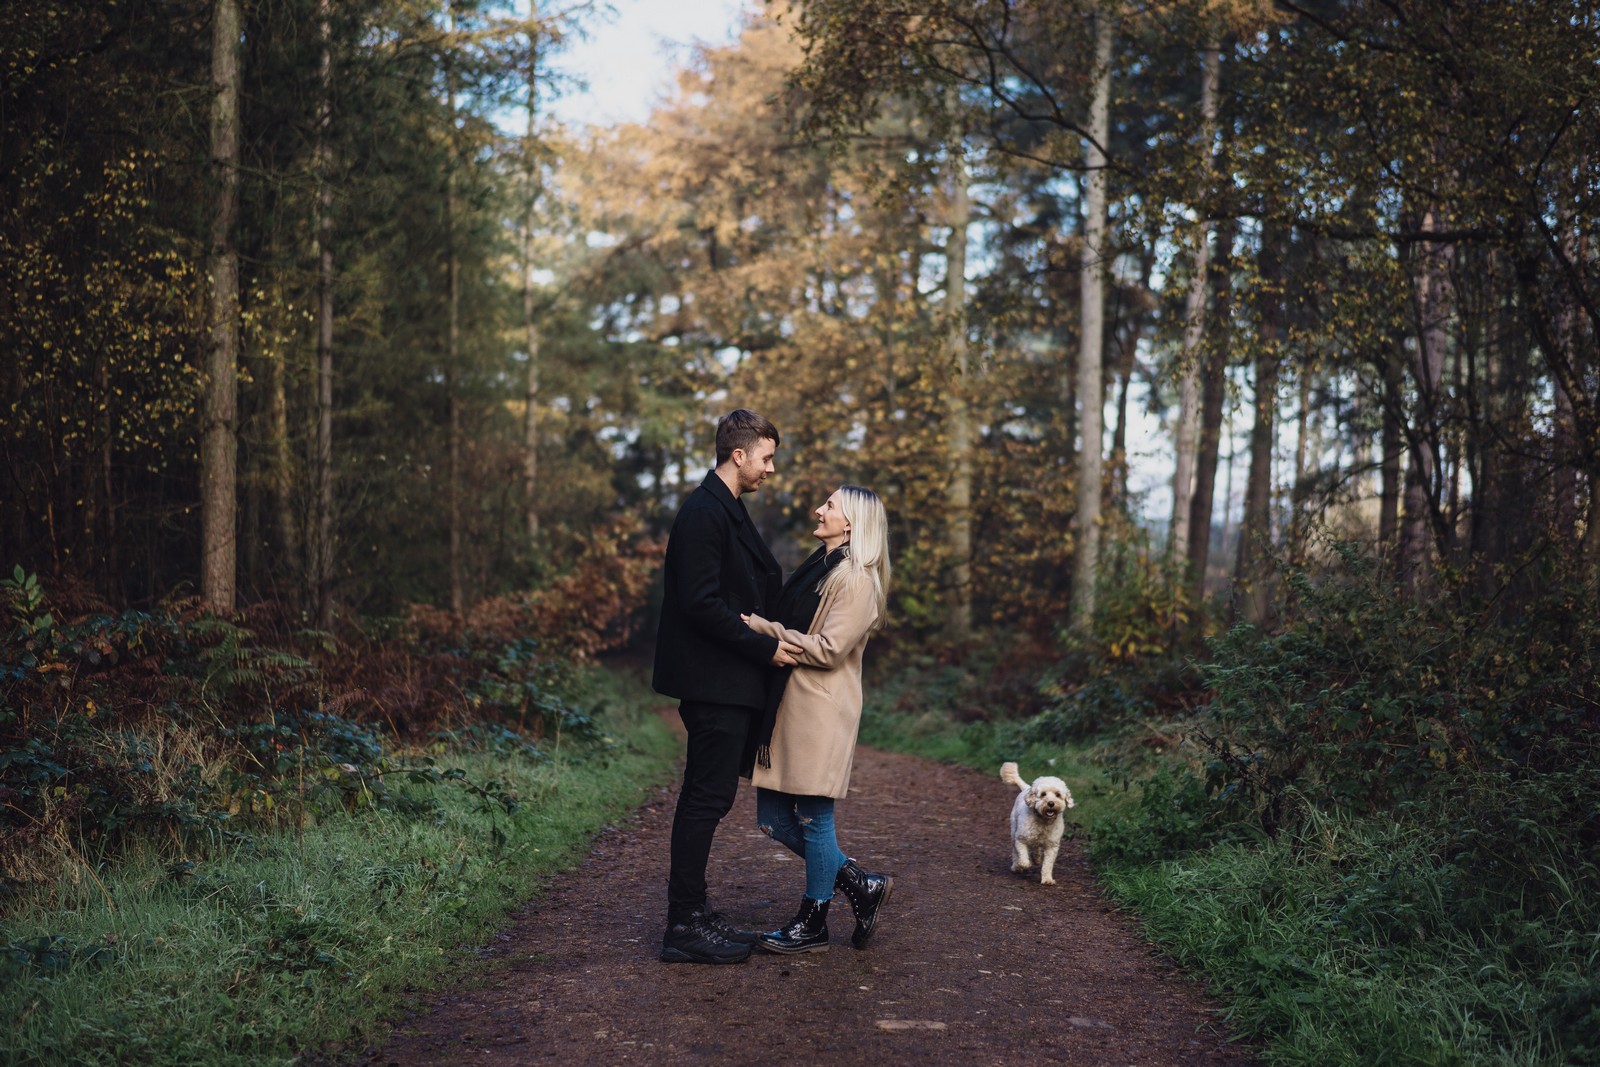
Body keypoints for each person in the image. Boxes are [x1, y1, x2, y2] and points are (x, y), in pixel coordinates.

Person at [653, 409, 803, 965]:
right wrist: (764, 646)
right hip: (714, 681)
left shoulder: (726, 510)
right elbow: (700, 603)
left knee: (709, 798)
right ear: (737, 455)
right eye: (766, 458)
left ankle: (692, 912)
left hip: (728, 681)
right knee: (703, 799)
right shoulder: (703, 513)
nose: (770, 469)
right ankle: (683, 924)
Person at [739, 485, 894, 953]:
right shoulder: (820, 567)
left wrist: (760, 629)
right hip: (790, 706)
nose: (819, 509)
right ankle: (861, 884)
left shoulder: (857, 579)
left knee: (813, 817)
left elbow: (828, 650)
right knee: (772, 818)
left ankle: (813, 921)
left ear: (851, 523)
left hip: (820, 710)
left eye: (830, 505)